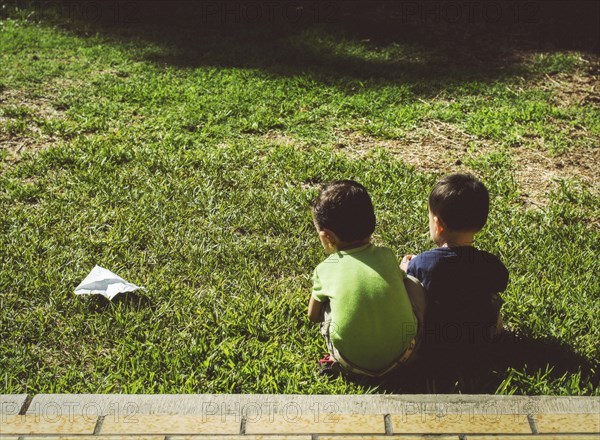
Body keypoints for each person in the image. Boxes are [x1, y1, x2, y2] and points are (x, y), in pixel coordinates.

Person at [308, 180, 421, 377]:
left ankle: (334, 360)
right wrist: (402, 270)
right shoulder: (387, 255)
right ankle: (421, 339)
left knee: (327, 304)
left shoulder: (325, 269)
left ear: (326, 237)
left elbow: (313, 316)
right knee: (411, 282)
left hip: (352, 364)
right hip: (404, 356)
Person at [400, 173, 509, 351]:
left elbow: (411, 284)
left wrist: (405, 269)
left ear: (438, 224)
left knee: (410, 287)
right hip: (480, 341)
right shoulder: (489, 263)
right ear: (480, 224)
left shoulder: (423, 263)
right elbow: (501, 281)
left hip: (435, 343)